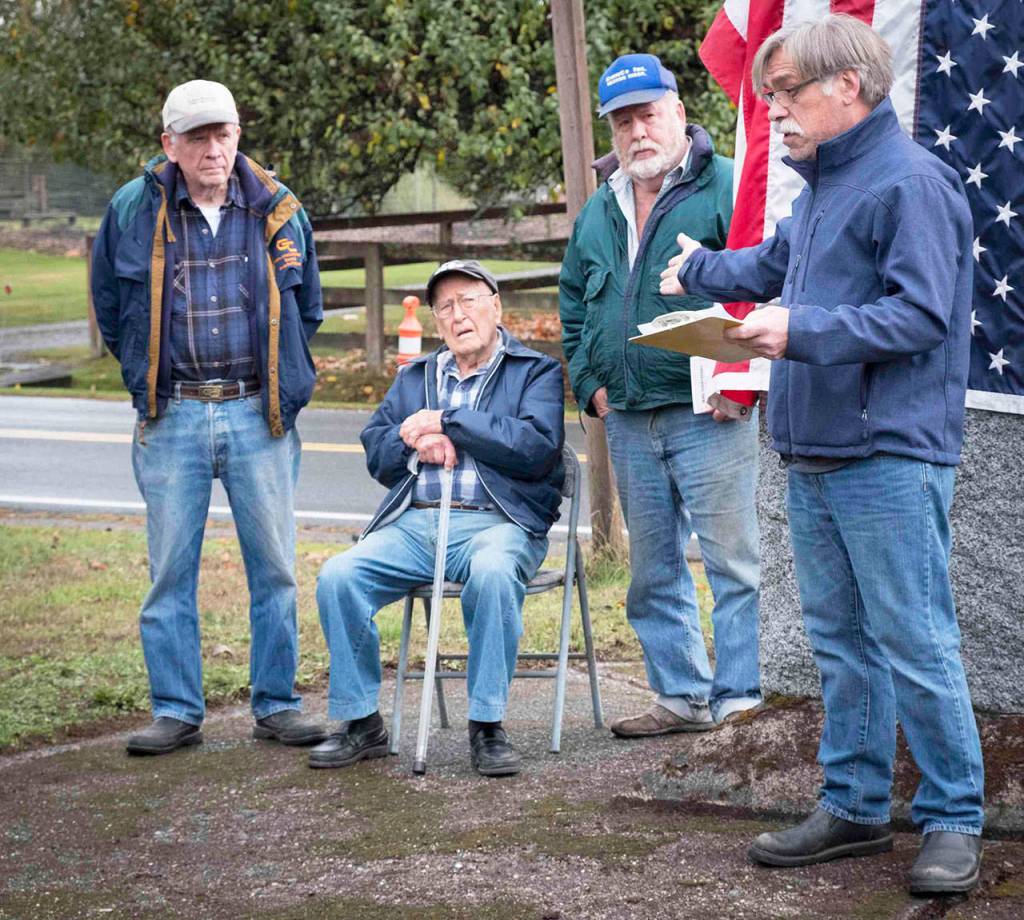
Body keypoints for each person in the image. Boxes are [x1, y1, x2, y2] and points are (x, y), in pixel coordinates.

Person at [660, 15, 984, 895]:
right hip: (814, 449)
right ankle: (853, 807)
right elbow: (772, 263)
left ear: (850, 85)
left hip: (887, 453)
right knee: (841, 644)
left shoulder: (912, 183)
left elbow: (921, 316)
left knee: (915, 641)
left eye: (788, 91)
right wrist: (696, 275)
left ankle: (954, 820)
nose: (775, 112)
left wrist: (799, 330)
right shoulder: (821, 189)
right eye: (769, 96)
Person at [91, 80, 326, 755]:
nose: (212, 148)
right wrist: (146, 377)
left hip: (260, 414)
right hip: (173, 419)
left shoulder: (279, 209)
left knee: (276, 567)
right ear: (169, 144)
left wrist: (287, 382)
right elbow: (112, 307)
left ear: (238, 133)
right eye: (196, 136)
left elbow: (305, 307)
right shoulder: (133, 209)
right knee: (169, 570)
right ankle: (176, 710)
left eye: (221, 133)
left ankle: (277, 704)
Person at [559, 53, 761, 736]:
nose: (637, 130)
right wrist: (590, 387)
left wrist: (743, 383)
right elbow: (573, 304)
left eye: (648, 113)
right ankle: (681, 696)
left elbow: (762, 284)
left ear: (678, 111)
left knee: (734, 562)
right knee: (652, 570)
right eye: (623, 120)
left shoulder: (729, 186)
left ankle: (739, 703)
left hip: (712, 411)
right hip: (629, 417)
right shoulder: (599, 208)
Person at [310, 260, 564, 777]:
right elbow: (375, 449)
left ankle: (487, 726)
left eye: (469, 300)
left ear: (496, 305)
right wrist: (412, 440)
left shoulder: (535, 371)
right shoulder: (416, 377)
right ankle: (363, 723)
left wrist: (450, 422)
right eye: (445, 307)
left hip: (500, 524)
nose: (458, 315)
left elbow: (535, 448)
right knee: (339, 577)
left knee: (493, 575)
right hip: (416, 523)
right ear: (435, 320)